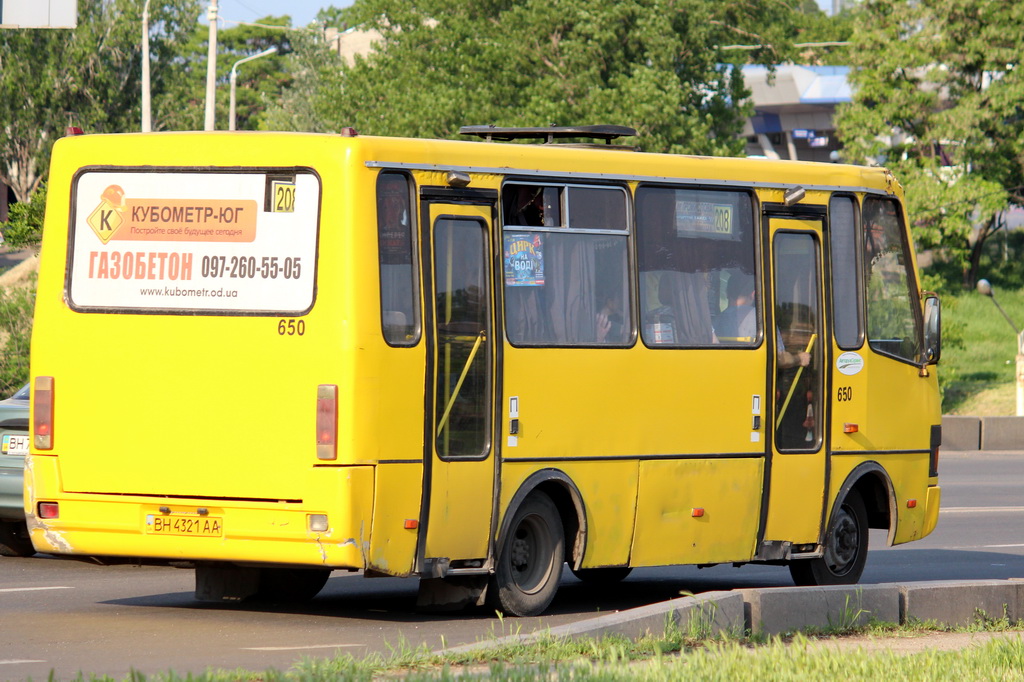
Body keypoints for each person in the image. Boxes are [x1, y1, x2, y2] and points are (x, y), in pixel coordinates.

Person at [715, 272, 756, 342]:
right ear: (753, 294)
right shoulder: (761, 318)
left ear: (726, 293)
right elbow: (779, 350)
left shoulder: (715, 322)